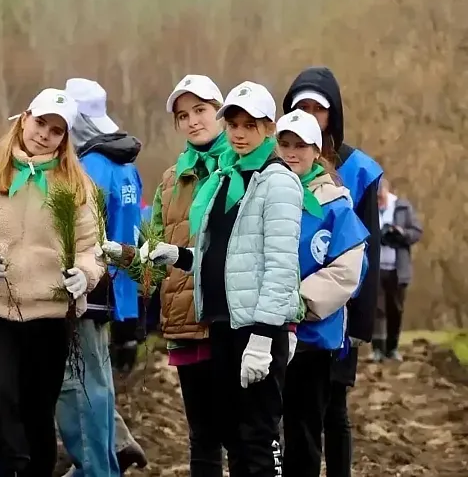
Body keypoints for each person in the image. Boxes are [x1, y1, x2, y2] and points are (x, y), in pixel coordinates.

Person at [0, 88, 105, 477]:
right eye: (40, 123)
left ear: (65, 139)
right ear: (25, 117)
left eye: (56, 130)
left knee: (37, 408)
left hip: (49, 313)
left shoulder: (78, 185)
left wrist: (85, 274)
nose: (44, 134)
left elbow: (92, 247)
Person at [143, 81, 302, 477]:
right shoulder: (227, 179)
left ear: (268, 126)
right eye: (233, 124)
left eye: (250, 124)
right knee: (233, 435)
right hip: (223, 326)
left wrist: (265, 337)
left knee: (259, 439)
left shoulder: (277, 181)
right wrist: (180, 256)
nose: (240, 133)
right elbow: (227, 259)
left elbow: (281, 266)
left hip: (256, 328)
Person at [103, 74, 229, 476]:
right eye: (183, 115)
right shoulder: (172, 180)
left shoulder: (244, 169)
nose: (193, 121)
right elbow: (152, 262)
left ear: (220, 113)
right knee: (202, 438)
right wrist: (121, 257)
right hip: (185, 324)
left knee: (248, 435)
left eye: (201, 111)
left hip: (233, 323)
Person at [283, 66, 383, 477]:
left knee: (334, 404)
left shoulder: (358, 169)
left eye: (317, 109)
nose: (309, 115)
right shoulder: (280, 166)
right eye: (300, 107)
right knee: (295, 413)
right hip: (288, 315)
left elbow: (366, 248)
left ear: (332, 115)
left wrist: (361, 321)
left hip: (338, 306)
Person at [55, 78, 145, 477]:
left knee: (76, 386)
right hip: (115, 290)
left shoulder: (87, 169)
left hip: (86, 288)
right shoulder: (125, 166)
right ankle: (103, 463)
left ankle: (97, 468)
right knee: (98, 382)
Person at [371, 178, 422, 362]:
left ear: (387, 191)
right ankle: (377, 349)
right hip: (375, 268)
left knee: (395, 310)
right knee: (376, 310)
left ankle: (392, 349)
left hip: (397, 269)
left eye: (381, 197)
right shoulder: (368, 208)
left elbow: (417, 232)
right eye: (376, 199)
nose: (379, 201)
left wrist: (401, 233)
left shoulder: (402, 207)